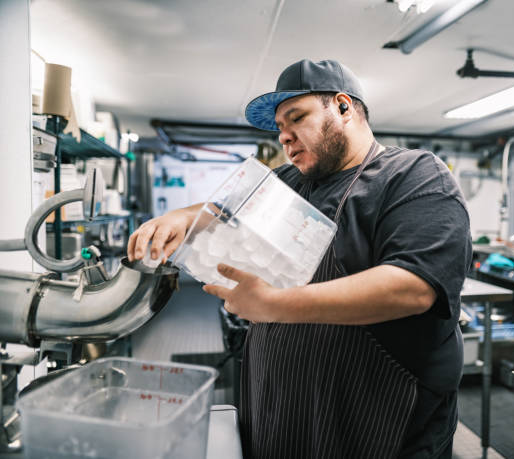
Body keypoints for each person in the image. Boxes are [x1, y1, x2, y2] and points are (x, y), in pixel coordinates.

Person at [128, 59, 472, 458]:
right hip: (281, 416)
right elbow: (224, 209)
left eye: (296, 118)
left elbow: (412, 288)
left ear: (343, 107)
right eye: (280, 128)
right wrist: (180, 217)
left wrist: (274, 305)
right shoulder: (288, 183)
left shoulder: (415, 175)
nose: (285, 137)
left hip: (376, 421)